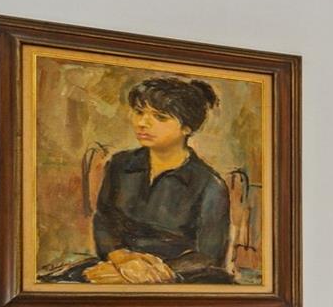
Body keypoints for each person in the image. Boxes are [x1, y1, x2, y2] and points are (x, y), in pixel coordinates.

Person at [45, 76, 233, 284]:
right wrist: (121, 259)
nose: (142, 123)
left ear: (187, 128)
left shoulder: (208, 184)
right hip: (117, 265)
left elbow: (208, 257)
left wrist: (143, 274)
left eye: (160, 117)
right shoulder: (121, 164)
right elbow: (104, 221)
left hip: (180, 278)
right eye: (139, 112)